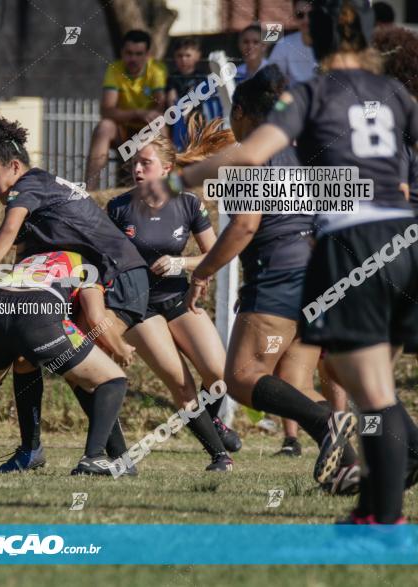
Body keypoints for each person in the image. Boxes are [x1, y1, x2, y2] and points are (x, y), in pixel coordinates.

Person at [162, 0, 418, 522]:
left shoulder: (309, 94)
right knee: (365, 382)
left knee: (367, 391)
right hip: (404, 241)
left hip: (350, 246)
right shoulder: (395, 95)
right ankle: (381, 486)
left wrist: (174, 181)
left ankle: (381, 510)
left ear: (317, 40)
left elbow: (253, 158)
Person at [0, 118, 150, 475]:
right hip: (102, 274)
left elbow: (9, 228)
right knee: (39, 363)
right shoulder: (46, 209)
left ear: (14, 167)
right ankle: (72, 455)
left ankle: (99, 457)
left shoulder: (29, 186)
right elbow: (25, 257)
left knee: (88, 373)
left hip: (120, 276)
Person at [185, 65, 359, 494]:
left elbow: (244, 226)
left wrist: (203, 272)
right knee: (293, 384)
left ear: (241, 112)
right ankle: (348, 466)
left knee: (243, 376)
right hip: (316, 275)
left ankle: (327, 422)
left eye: (232, 117)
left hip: (278, 272)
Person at [107, 118, 241, 471]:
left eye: (145, 163)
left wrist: (181, 263)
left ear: (166, 168)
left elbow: (214, 254)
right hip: (140, 307)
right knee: (181, 385)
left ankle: (211, 422)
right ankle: (218, 456)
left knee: (219, 374)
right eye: (134, 162)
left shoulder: (188, 204)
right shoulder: (118, 209)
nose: (136, 168)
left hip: (180, 300)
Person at [85, 30, 167, 190]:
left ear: (148, 55)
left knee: (161, 123)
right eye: (129, 53)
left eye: (139, 54)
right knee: (104, 127)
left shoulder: (157, 70)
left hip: (148, 132)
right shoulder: (114, 69)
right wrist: (138, 113)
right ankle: (90, 191)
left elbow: (160, 108)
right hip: (123, 131)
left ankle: (167, 186)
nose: (133, 59)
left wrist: (137, 116)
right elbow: (107, 110)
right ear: (122, 53)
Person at [268, 0, 318, 86]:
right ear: (294, 17)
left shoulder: (332, 43)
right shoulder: (284, 44)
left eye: (311, 15)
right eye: (300, 15)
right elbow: (271, 78)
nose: (306, 20)